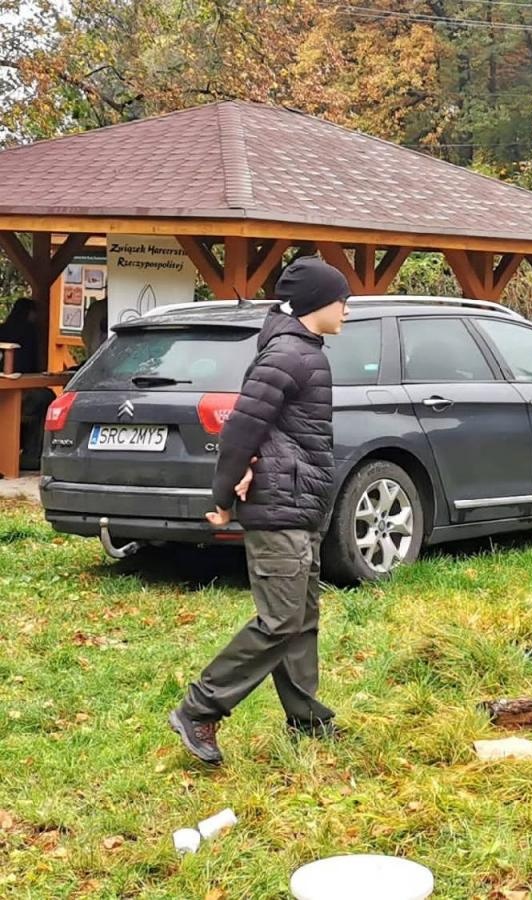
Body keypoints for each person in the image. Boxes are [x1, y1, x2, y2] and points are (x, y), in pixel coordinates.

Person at [168, 257, 350, 766]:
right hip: (278, 508)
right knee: (281, 620)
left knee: (301, 619)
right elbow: (242, 429)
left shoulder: (303, 351)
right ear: (317, 302)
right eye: (342, 300)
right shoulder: (288, 355)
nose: (347, 310)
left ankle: (307, 720)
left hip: (298, 504)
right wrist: (222, 497)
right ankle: (199, 709)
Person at [0, 297, 54, 469]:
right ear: (30, 313)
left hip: (6, 390)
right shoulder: (29, 331)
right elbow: (31, 364)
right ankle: (33, 454)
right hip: (21, 390)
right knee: (47, 398)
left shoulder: (3, 329)